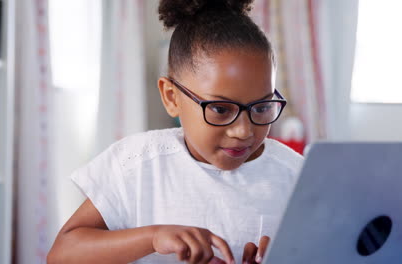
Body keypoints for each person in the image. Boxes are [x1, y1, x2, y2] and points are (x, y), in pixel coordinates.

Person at [48, 0, 304, 263]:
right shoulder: (137, 165)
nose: (243, 130)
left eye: (261, 107)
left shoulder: (297, 176)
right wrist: (153, 237)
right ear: (171, 97)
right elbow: (62, 254)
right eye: (220, 109)